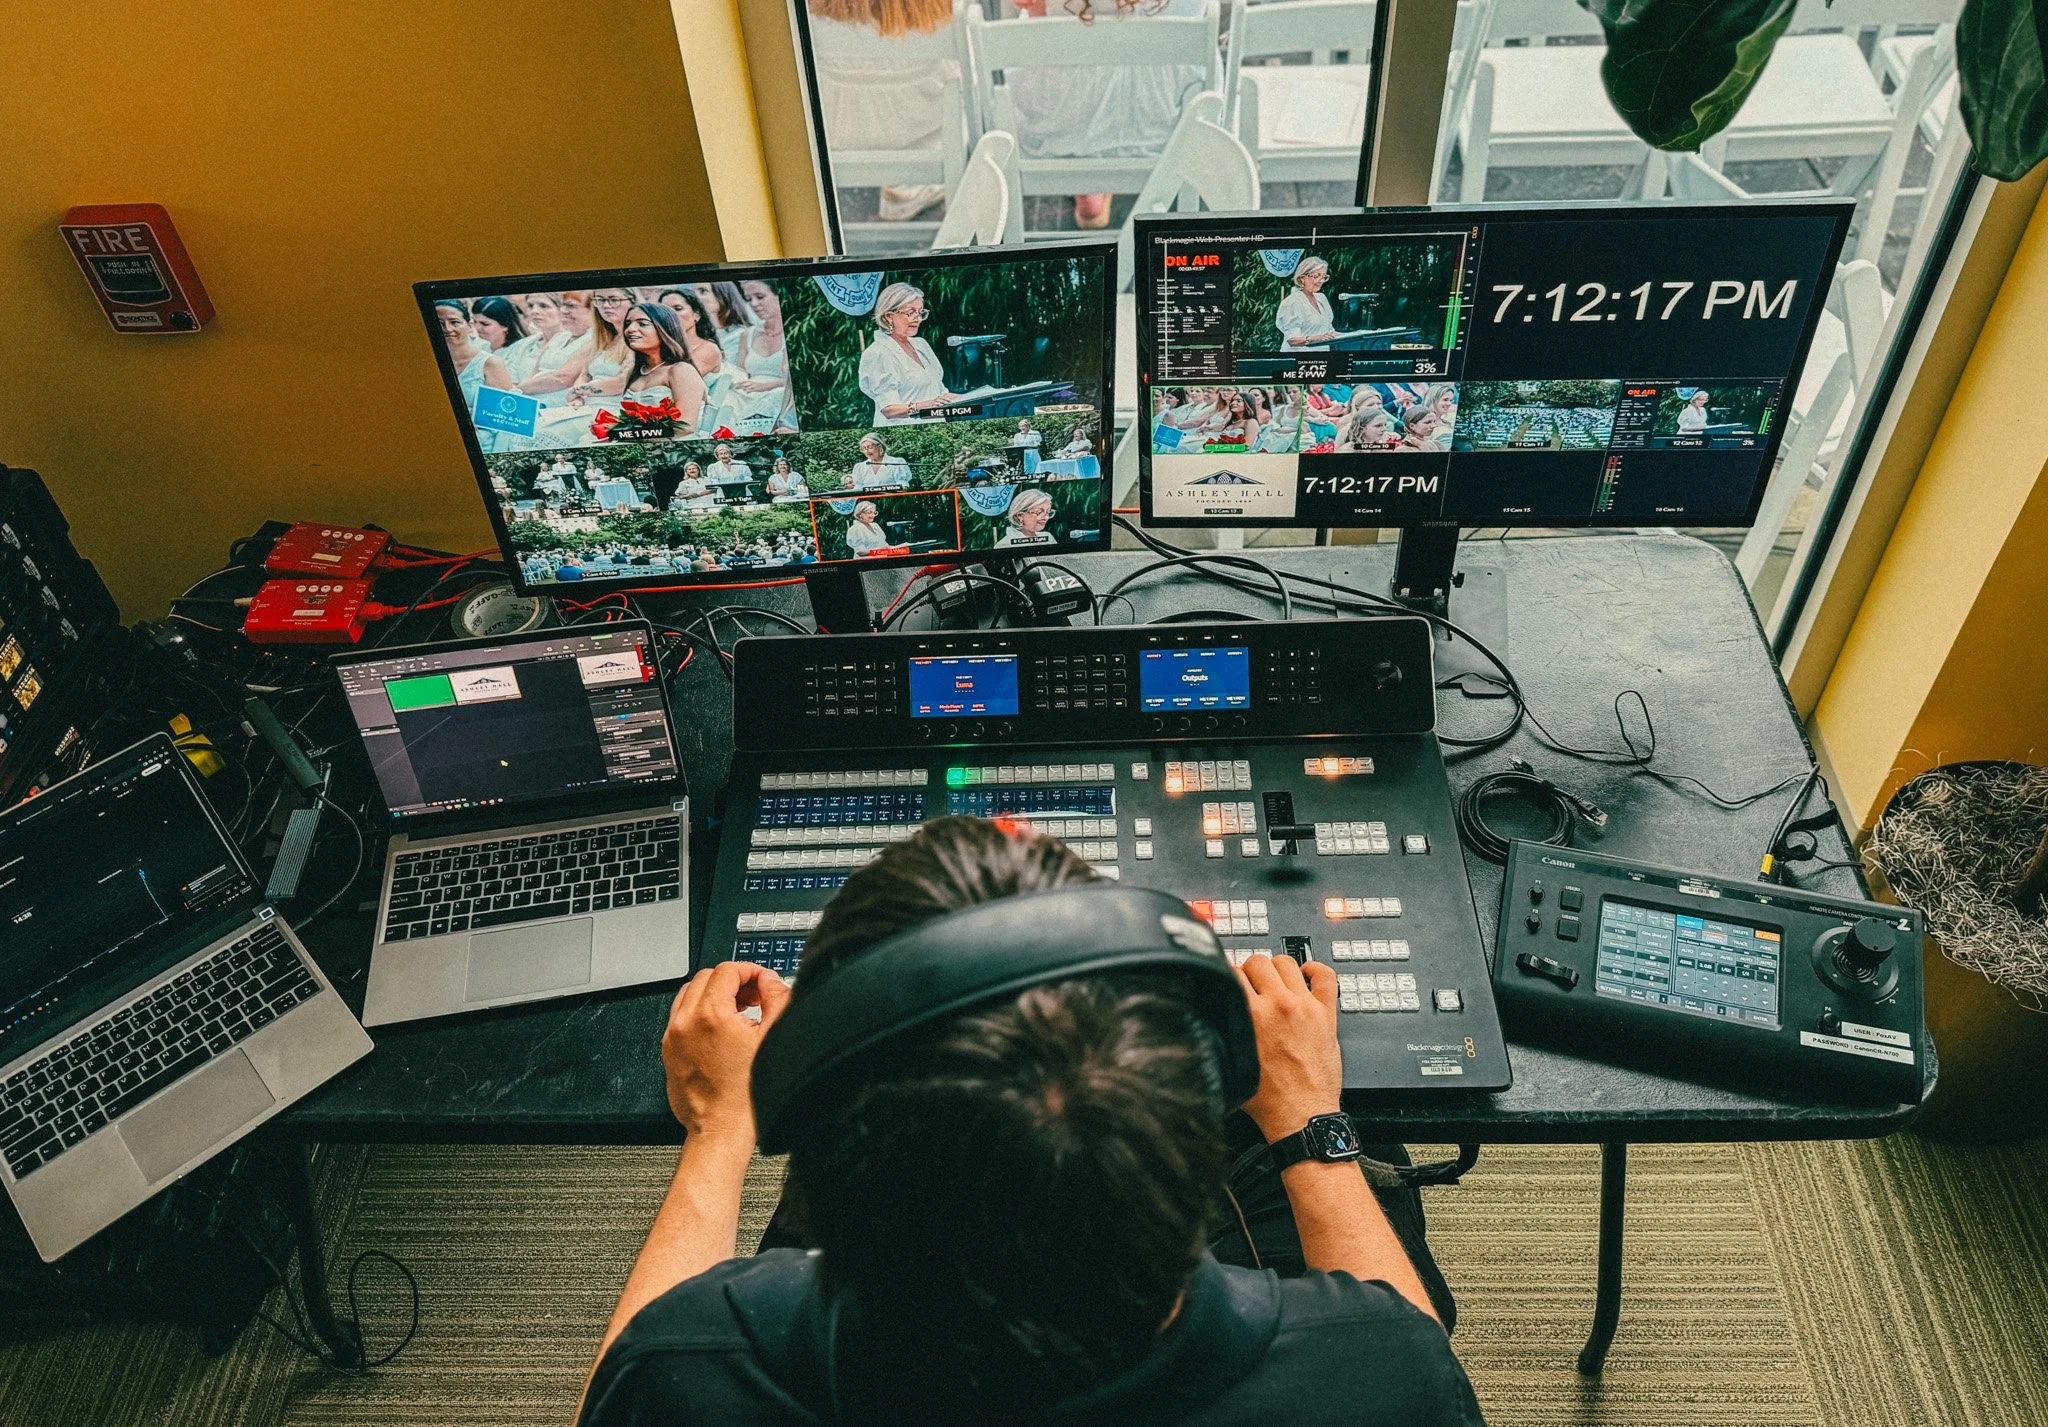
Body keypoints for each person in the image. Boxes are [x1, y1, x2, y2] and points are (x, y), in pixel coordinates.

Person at [575, 817, 1480, 1426]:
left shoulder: (684, 1374)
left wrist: (720, 1128)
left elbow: (623, 1382)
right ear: (1181, 1155)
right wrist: (1305, 1119)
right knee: (1374, 1153)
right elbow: (1406, 1339)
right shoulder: (1387, 1372)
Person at [858, 282, 956, 425]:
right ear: (889, 316)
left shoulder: (921, 344)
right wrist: (923, 406)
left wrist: (977, 397)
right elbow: (889, 410)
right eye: (910, 313)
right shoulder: (877, 352)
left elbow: (941, 394)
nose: (917, 319)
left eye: (921, 312)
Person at [435, 300, 517, 451]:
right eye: (438, 323)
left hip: (483, 447)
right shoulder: (430, 364)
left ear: (469, 325)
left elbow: (504, 421)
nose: (447, 329)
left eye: (454, 322)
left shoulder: (490, 364)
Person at [619, 302, 709, 433]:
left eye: (642, 323)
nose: (630, 329)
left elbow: (685, 426)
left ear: (665, 329)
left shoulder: (681, 370)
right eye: (628, 324)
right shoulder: (634, 373)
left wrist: (632, 437)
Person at [733, 280, 799, 434]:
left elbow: (799, 381)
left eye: (760, 296)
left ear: (779, 295)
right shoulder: (747, 334)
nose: (754, 304)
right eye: (749, 299)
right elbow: (740, 371)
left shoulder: (795, 332)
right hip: (749, 394)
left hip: (783, 396)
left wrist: (768, 386)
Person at [1276, 256, 1340, 351]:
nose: (1321, 281)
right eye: (1316, 276)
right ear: (1302, 278)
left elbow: (1329, 331)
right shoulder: (1292, 302)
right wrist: (1313, 339)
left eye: (1324, 277)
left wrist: (1355, 335)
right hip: (1297, 359)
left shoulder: (1321, 298)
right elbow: (1292, 340)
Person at [848, 433, 912, 490]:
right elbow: (858, 488)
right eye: (864, 448)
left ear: (880, 447)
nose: (867, 451)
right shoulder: (859, 467)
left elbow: (903, 485)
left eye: (870, 447)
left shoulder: (897, 462)